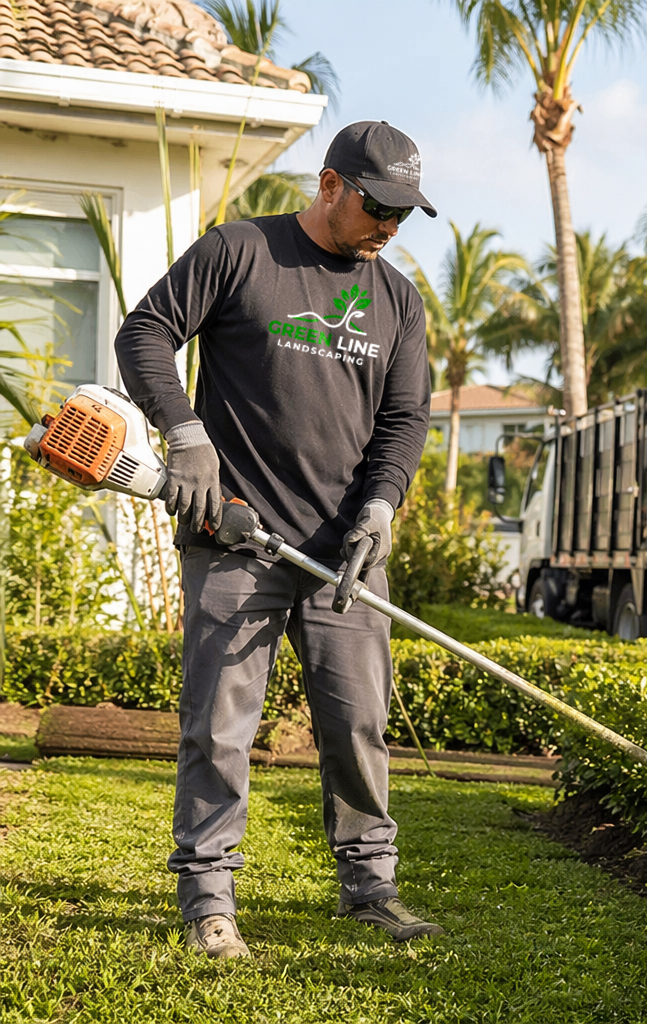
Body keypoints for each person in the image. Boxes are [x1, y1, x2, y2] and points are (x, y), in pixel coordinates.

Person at [116, 121, 439, 957]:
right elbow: (144, 333)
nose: (389, 229)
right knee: (219, 726)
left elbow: (404, 421)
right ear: (330, 185)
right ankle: (208, 899)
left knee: (357, 725)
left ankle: (370, 888)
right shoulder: (240, 252)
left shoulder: (399, 302)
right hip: (235, 537)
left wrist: (382, 508)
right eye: (378, 208)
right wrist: (186, 437)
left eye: (404, 215)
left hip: (344, 558)